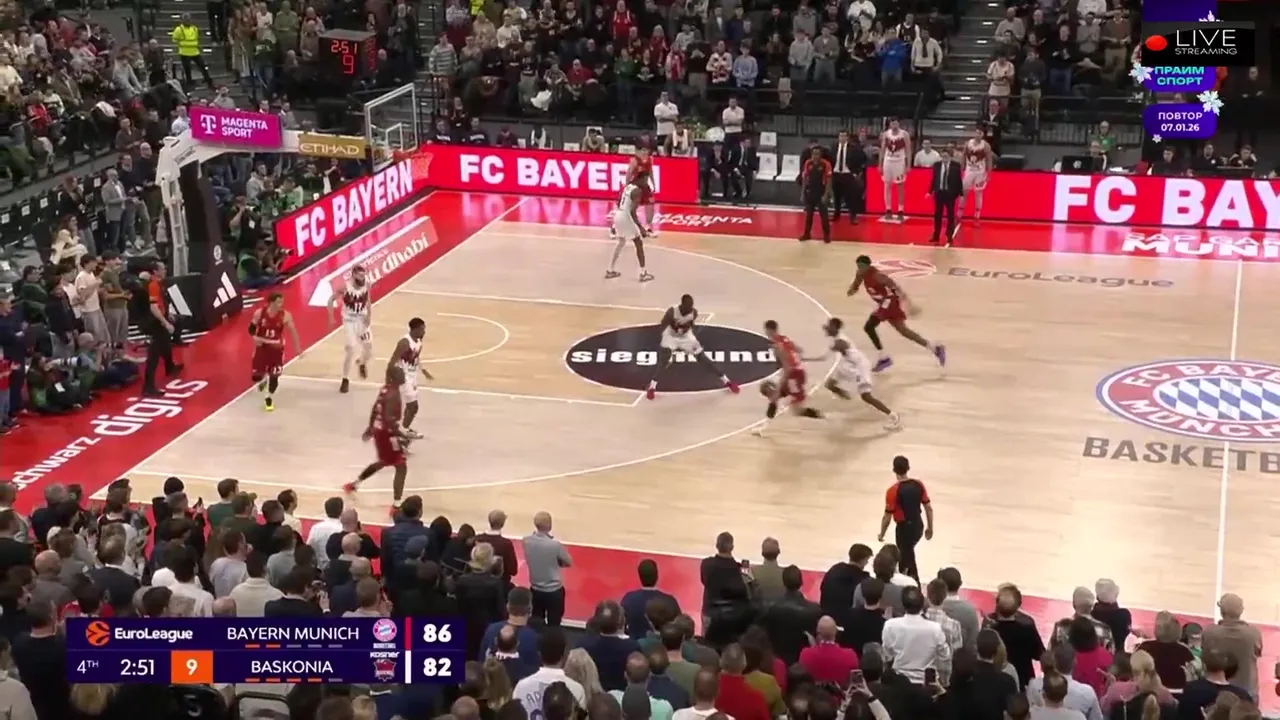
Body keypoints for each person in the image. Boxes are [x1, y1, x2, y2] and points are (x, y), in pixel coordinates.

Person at [846, 255, 946, 373]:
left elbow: (896, 287)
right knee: (904, 331)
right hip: (883, 303)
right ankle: (934, 348)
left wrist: (909, 304)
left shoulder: (878, 276)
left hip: (889, 302)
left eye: (862, 266)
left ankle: (884, 358)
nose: (860, 269)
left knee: (869, 326)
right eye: (858, 266)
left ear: (868, 266)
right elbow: (856, 284)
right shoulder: (860, 273)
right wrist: (852, 289)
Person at [806, 317, 901, 429]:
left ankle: (893, 416)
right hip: (851, 364)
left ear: (835, 328)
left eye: (829, 326)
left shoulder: (839, 342)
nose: (827, 328)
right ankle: (846, 395)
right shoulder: (838, 338)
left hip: (859, 366)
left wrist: (803, 359)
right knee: (830, 384)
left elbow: (823, 358)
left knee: (866, 396)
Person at [644, 295, 739, 401]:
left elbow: (691, 324)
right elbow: (663, 325)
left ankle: (727, 381)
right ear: (682, 305)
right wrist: (666, 337)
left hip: (686, 337)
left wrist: (689, 333)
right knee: (664, 361)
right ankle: (652, 387)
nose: (690, 308)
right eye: (688, 307)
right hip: (670, 336)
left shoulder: (694, 312)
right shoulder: (672, 312)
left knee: (703, 359)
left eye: (691, 306)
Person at [345, 365, 411, 512]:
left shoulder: (385, 389)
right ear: (394, 377)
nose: (404, 375)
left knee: (383, 461)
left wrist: (370, 427)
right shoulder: (393, 394)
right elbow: (388, 418)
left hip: (380, 431)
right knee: (401, 466)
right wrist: (400, 434)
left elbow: (375, 408)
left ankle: (354, 484)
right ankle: (396, 506)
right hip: (386, 433)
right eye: (400, 373)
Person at [753, 320, 823, 436]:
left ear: (769, 330)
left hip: (794, 376)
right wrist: (795, 359)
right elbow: (800, 350)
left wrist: (780, 385)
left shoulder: (777, 347)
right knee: (767, 389)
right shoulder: (784, 339)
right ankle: (763, 428)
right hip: (796, 372)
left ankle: (822, 417)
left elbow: (787, 369)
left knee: (796, 410)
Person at [878, 456, 933, 581]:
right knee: (908, 554)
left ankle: (912, 583)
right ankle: (910, 581)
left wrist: (882, 533)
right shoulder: (918, 484)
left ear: (894, 470)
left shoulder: (892, 491)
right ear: (908, 468)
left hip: (904, 529)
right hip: (918, 525)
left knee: (905, 558)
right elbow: (928, 508)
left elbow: (887, 516)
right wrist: (930, 528)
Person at [249, 292, 301, 412]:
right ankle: (264, 388)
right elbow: (251, 329)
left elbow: (293, 331)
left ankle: (268, 396)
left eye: (282, 302)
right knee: (256, 376)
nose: (281, 304)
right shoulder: (259, 313)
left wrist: (297, 347)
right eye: (278, 302)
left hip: (276, 349)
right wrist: (254, 338)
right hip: (262, 347)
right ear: (271, 302)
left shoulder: (285, 315)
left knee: (274, 378)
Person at [328, 263, 374, 394]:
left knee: (369, 348)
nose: (362, 278)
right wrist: (331, 317)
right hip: (349, 321)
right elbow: (330, 300)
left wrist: (369, 316)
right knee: (351, 348)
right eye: (360, 275)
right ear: (353, 275)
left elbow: (368, 300)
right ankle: (345, 379)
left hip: (362, 319)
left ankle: (362, 363)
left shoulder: (367, 284)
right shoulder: (345, 287)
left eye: (363, 275)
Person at [387, 318, 432, 440]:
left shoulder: (419, 342)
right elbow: (392, 362)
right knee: (413, 406)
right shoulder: (404, 343)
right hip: (403, 377)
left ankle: (403, 429)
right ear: (415, 329)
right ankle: (402, 432)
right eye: (422, 329)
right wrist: (388, 381)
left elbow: (416, 358)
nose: (424, 332)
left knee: (410, 406)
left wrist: (423, 370)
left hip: (412, 377)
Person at [141, 262, 182, 397]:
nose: (165, 271)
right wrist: (165, 322)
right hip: (155, 322)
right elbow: (153, 307)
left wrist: (167, 314)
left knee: (166, 344)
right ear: (155, 271)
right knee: (154, 355)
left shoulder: (159, 283)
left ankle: (170, 366)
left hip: (159, 319)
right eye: (162, 269)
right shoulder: (153, 285)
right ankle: (148, 387)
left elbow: (160, 303)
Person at [607, 179, 654, 283]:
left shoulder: (627, 187)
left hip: (618, 214)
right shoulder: (637, 191)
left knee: (621, 242)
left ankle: (610, 270)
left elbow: (618, 202)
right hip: (626, 216)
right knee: (638, 242)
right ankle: (643, 273)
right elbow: (632, 212)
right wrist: (641, 228)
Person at [960, 125, 994, 227]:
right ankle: (959, 213)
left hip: (980, 172)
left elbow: (989, 160)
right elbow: (963, 155)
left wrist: (989, 173)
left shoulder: (986, 146)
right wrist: (962, 168)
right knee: (963, 192)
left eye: (980, 133)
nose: (977, 135)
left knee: (978, 193)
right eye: (976, 132)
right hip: (969, 171)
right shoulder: (968, 143)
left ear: (982, 135)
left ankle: (977, 216)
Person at [879, 118, 911, 222]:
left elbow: (908, 150)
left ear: (899, 123)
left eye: (896, 122)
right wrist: (880, 164)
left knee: (900, 185)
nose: (894, 124)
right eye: (892, 122)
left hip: (899, 161)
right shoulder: (886, 134)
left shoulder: (904, 134)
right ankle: (888, 209)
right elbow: (882, 149)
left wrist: (908, 164)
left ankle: (900, 210)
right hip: (888, 161)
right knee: (887, 185)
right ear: (890, 124)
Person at [929, 147, 963, 246]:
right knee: (937, 215)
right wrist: (930, 191)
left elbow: (958, 181)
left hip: (950, 194)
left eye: (946, 156)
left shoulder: (956, 166)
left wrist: (961, 193)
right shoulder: (937, 165)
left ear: (950, 157)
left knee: (950, 215)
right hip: (939, 193)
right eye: (942, 156)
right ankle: (936, 235)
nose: (944, 158)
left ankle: (949, 235)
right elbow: (934, 179)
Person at [798, 147, 832, 243]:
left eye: (817, 154)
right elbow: (805, 178)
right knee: (809, 215)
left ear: (820, 155)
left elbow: (829, 180)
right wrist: (802, 193)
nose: (815, 156)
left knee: (824, 216)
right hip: (810, 192)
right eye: (813, 154)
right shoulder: (808, 163)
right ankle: (807, 234)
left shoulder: (826, 164)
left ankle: (826, 235)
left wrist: (826, 194)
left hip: (821, 192)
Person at [830, 129, 862, 224]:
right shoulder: (833, 147)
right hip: (836, 174)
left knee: (851, 197)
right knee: (836, 196)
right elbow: (830, 159)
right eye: (841, 136)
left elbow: (858, 160)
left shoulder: (853, 148)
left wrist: (855, 172)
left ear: (847, 137)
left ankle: (853, 216)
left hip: (847, 174)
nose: (842, 138)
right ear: (838, 137)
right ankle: (836, 214)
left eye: (844, 136)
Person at [626, 146, 658, 235]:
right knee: (628, 209)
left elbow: (650, 172)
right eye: (642, 150)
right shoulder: (635, 161)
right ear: (639, 151)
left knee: (651, 204)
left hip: (644, 186)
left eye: (646, 150)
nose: (644, 152)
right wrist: (626, 186)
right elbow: (628, 174)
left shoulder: (650, 160)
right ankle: (615, 227)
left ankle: (648, 227)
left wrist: (653, 184)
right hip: (635, 186)